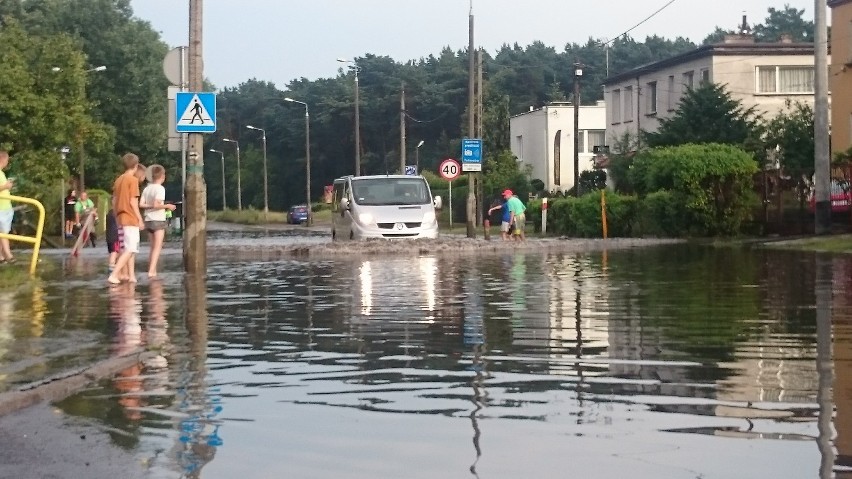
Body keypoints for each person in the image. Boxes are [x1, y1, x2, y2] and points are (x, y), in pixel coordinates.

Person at [107, 153, 145, 285]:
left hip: (120, 217)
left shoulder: (118, 180)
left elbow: (114, 200)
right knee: (131, 249)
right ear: (136, 166)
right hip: (130, 217)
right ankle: (114, 274)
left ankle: (131, 275)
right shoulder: (132, 181)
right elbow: (133, 201)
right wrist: (140, 218)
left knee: (128, 248)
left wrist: (116, 215)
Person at [139, 165, 175, 279]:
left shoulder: (146, 188)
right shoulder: (160, 189)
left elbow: (141, 204)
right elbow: (156, 204)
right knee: (158, 247)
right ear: (162, 176)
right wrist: (167, 206)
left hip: (148, 219)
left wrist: (150, 207)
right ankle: (151, 271)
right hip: (158, 219)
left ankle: (152, 270)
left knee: (152, 247)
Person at [0, 151, 15, 264]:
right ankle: (9, 255)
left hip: (6, 206)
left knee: (4, 231)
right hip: (1, 207)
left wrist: (7, 186)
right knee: (3, 232)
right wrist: (6, 186)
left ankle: (1, 257)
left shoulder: (2, 173)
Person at [105, 200, 121, 273]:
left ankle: (112, 266)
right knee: (114, 252)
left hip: (109, 237)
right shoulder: (116, 214)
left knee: (112, 252)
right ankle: (112, 268)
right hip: (115, 236)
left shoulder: (109, 213)